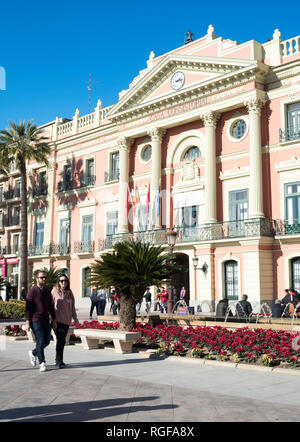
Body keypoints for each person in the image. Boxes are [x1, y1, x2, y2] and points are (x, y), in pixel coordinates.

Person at [25, 270, 57, 372]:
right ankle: (42, 362)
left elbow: (51, 307)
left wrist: (54, 319)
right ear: (36, 279)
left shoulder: (47, 291)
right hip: (36, 320)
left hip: (45, 320)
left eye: (45, 277)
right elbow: (28, 308)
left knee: (47, 341)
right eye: (41, 277)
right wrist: (27, 322)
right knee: (41, 340)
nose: (44, 279)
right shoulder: (32, 291)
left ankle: (33, 353)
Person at [51, 274, 79, 368]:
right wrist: (52, 319)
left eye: (65, 281)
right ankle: (59, 361)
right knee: (60, 340)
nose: (63, 282)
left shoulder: (69, 292)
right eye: (61, 281)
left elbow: (72, 309)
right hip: (57, 321)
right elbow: (50, 306)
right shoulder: (54, 291)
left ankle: (59, 360)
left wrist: (76, 321)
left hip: (66, 322)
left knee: (62, 341)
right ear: (58, 282)